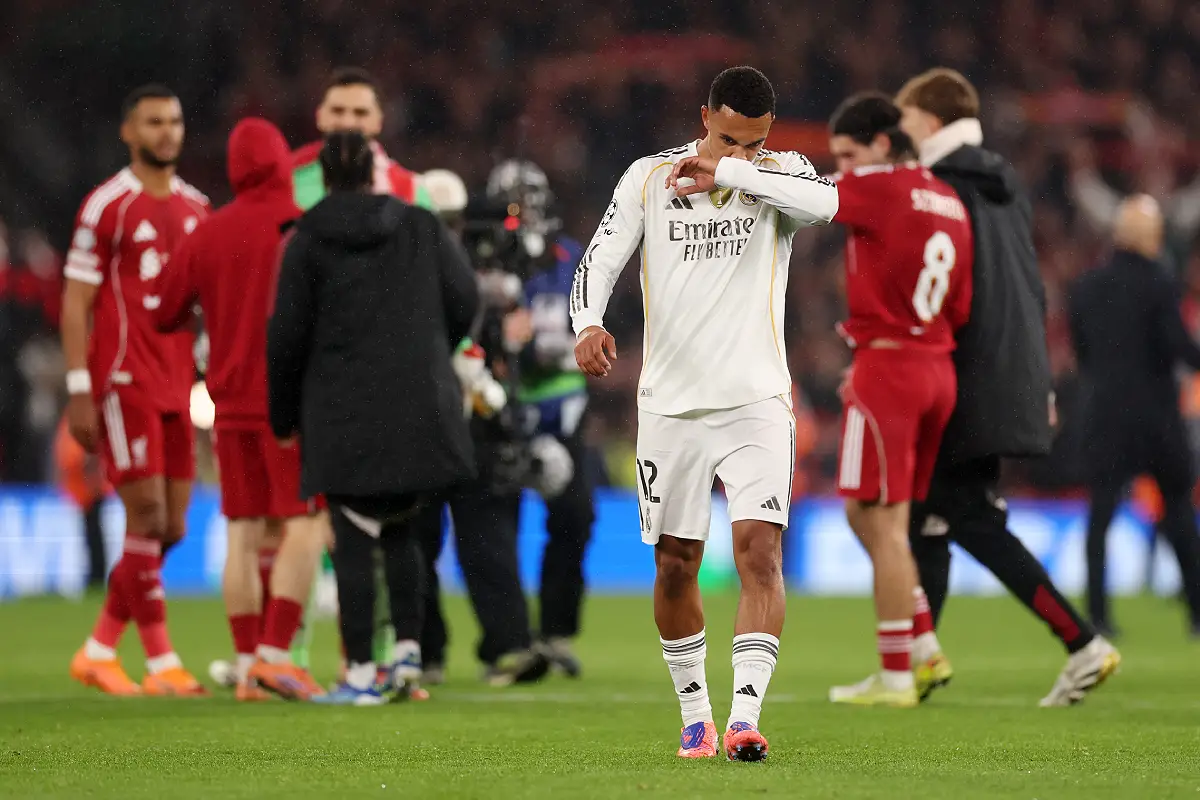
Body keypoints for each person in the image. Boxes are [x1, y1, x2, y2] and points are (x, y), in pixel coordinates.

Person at [572, 66, 837, 760]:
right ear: (704, 117)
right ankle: (696, 716)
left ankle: (745, 718)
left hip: (757, 402)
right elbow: (600, 257)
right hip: (671, 407)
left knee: (760, 552)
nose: (740, 151)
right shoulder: (649, 177)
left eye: (754, 142)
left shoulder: (781, 174)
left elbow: (828, 205)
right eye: (727, 139)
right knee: (675, 564)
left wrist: (735, 171)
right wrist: (587, 321)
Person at [895, 67, 1119, 706]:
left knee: (966, 519)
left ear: (930, 121)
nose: (902, 132)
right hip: (1004, 374)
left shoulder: (940, 187)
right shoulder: (1002, 183)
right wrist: (1034, 380)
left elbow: (952, 288)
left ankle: (1081, 641)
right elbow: (1026, 288)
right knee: (933, 517)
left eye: (907, 121)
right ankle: (915, 666)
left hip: (961, 377)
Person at [268, 130, 479, 705]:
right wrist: (431, 353)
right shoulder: (421, 225)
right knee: (403, 528)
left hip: (341, 409)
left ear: (324, 177)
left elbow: (285, 337)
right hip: (419, 403)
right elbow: (467, 299)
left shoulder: (306, 240)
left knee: (354, 538)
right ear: (374, 172)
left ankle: (361, 672)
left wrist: (283, 416)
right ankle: (406, 655)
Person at [154, 118, 325, 702]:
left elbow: (163, 310)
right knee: (307, 523)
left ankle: (248, 664)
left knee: (244, 533)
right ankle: (275, 656)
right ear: (281, 162)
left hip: (227, 406)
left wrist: (219, 314)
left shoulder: (209, 231)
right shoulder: (301, 225)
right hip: (290, 406)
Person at [823, 93, 971, 708]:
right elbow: (959, 305)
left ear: (882, 145)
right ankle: (924, 646)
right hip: (937, 367)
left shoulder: (880, 186)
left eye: (848, 155)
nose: (842, 170)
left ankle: (895, 677)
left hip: (890, 368)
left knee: (883, 526)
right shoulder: (950, 201)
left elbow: (810, 199)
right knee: (871, 517)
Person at [62, 84, 209, 696]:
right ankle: (161, 662)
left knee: (171, 528)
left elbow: (204, 301)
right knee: (146, 513)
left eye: (174, 121)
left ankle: (99, 649)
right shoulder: (108, 205)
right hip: (124, 377)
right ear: (129, 131)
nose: (166, 131)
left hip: (178, 382)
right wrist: (79, 387)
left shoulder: (198, 207)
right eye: (153, 122)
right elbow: (76, 299)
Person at [289, 65, 434, 677]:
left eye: (359, 113)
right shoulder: (289, 183)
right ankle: (290, 657)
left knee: (375, 526)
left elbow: (434, 280)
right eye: (339, 112)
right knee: (297, 525)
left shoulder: (412, 188)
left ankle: (377, 660)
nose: (348, 122)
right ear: (321, 117)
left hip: (365, 384)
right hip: (320, 375)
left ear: (378, 121)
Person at [1068, 194, 1200, 638]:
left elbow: (1083, 351)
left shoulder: (1086, 285)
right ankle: (1197, 613)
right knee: (1178, 512)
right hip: (1156, 417)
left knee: (1100, 517)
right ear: (1152, 237)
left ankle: (1097, 616)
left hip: (1104, 414)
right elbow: (1177, 346)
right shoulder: (1160, 282)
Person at [493, 160, 594, 675]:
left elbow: (595, 325)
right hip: (499, 409)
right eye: (512, 207)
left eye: (528, 204)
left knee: (576, 517)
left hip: (562, 412)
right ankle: (507, 640)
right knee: (495, 528)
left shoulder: (571, 258)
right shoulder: (484, 262)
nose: (523, 217)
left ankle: (555, 633)